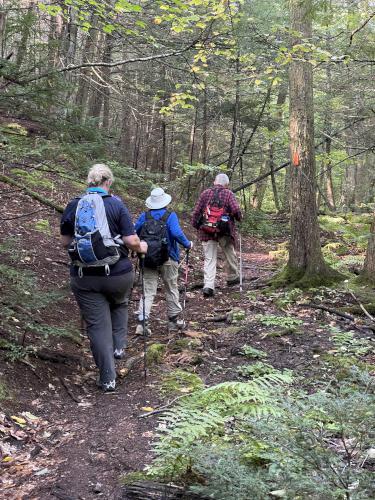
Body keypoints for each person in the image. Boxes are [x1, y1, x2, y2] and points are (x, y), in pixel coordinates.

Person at [60, 164, 147, 392]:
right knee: (120, 302)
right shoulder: (116, 204)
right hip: (117, 273)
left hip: (84, 276)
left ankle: (107, 377)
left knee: (97, 326)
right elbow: (131, 241)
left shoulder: (74, 204)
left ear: (89, 182)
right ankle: (119, 346)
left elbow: (65, 242)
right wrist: (142, 246)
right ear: (108, 182)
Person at [135, 187, 193, 334]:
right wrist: (188, 244)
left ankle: (142, 323)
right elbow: (176, 233)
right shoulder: (170, 215)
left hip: (147, 258)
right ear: (165, 201)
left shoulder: (145, 216)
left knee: (148, 290)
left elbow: (134, 232)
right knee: (171, 287)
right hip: (169, 258)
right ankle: (173, 322)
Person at [191, 173, 242, 297]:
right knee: (229, 252)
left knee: (209, 259)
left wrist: (198, 226)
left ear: (215, 182)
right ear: (227, 184)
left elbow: (196, 212)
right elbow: (236, 210)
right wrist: (239, 218)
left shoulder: (205, 193)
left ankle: (208, 286)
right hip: (224, 231)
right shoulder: (229, 194)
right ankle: (232, 277)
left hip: (206, 232)